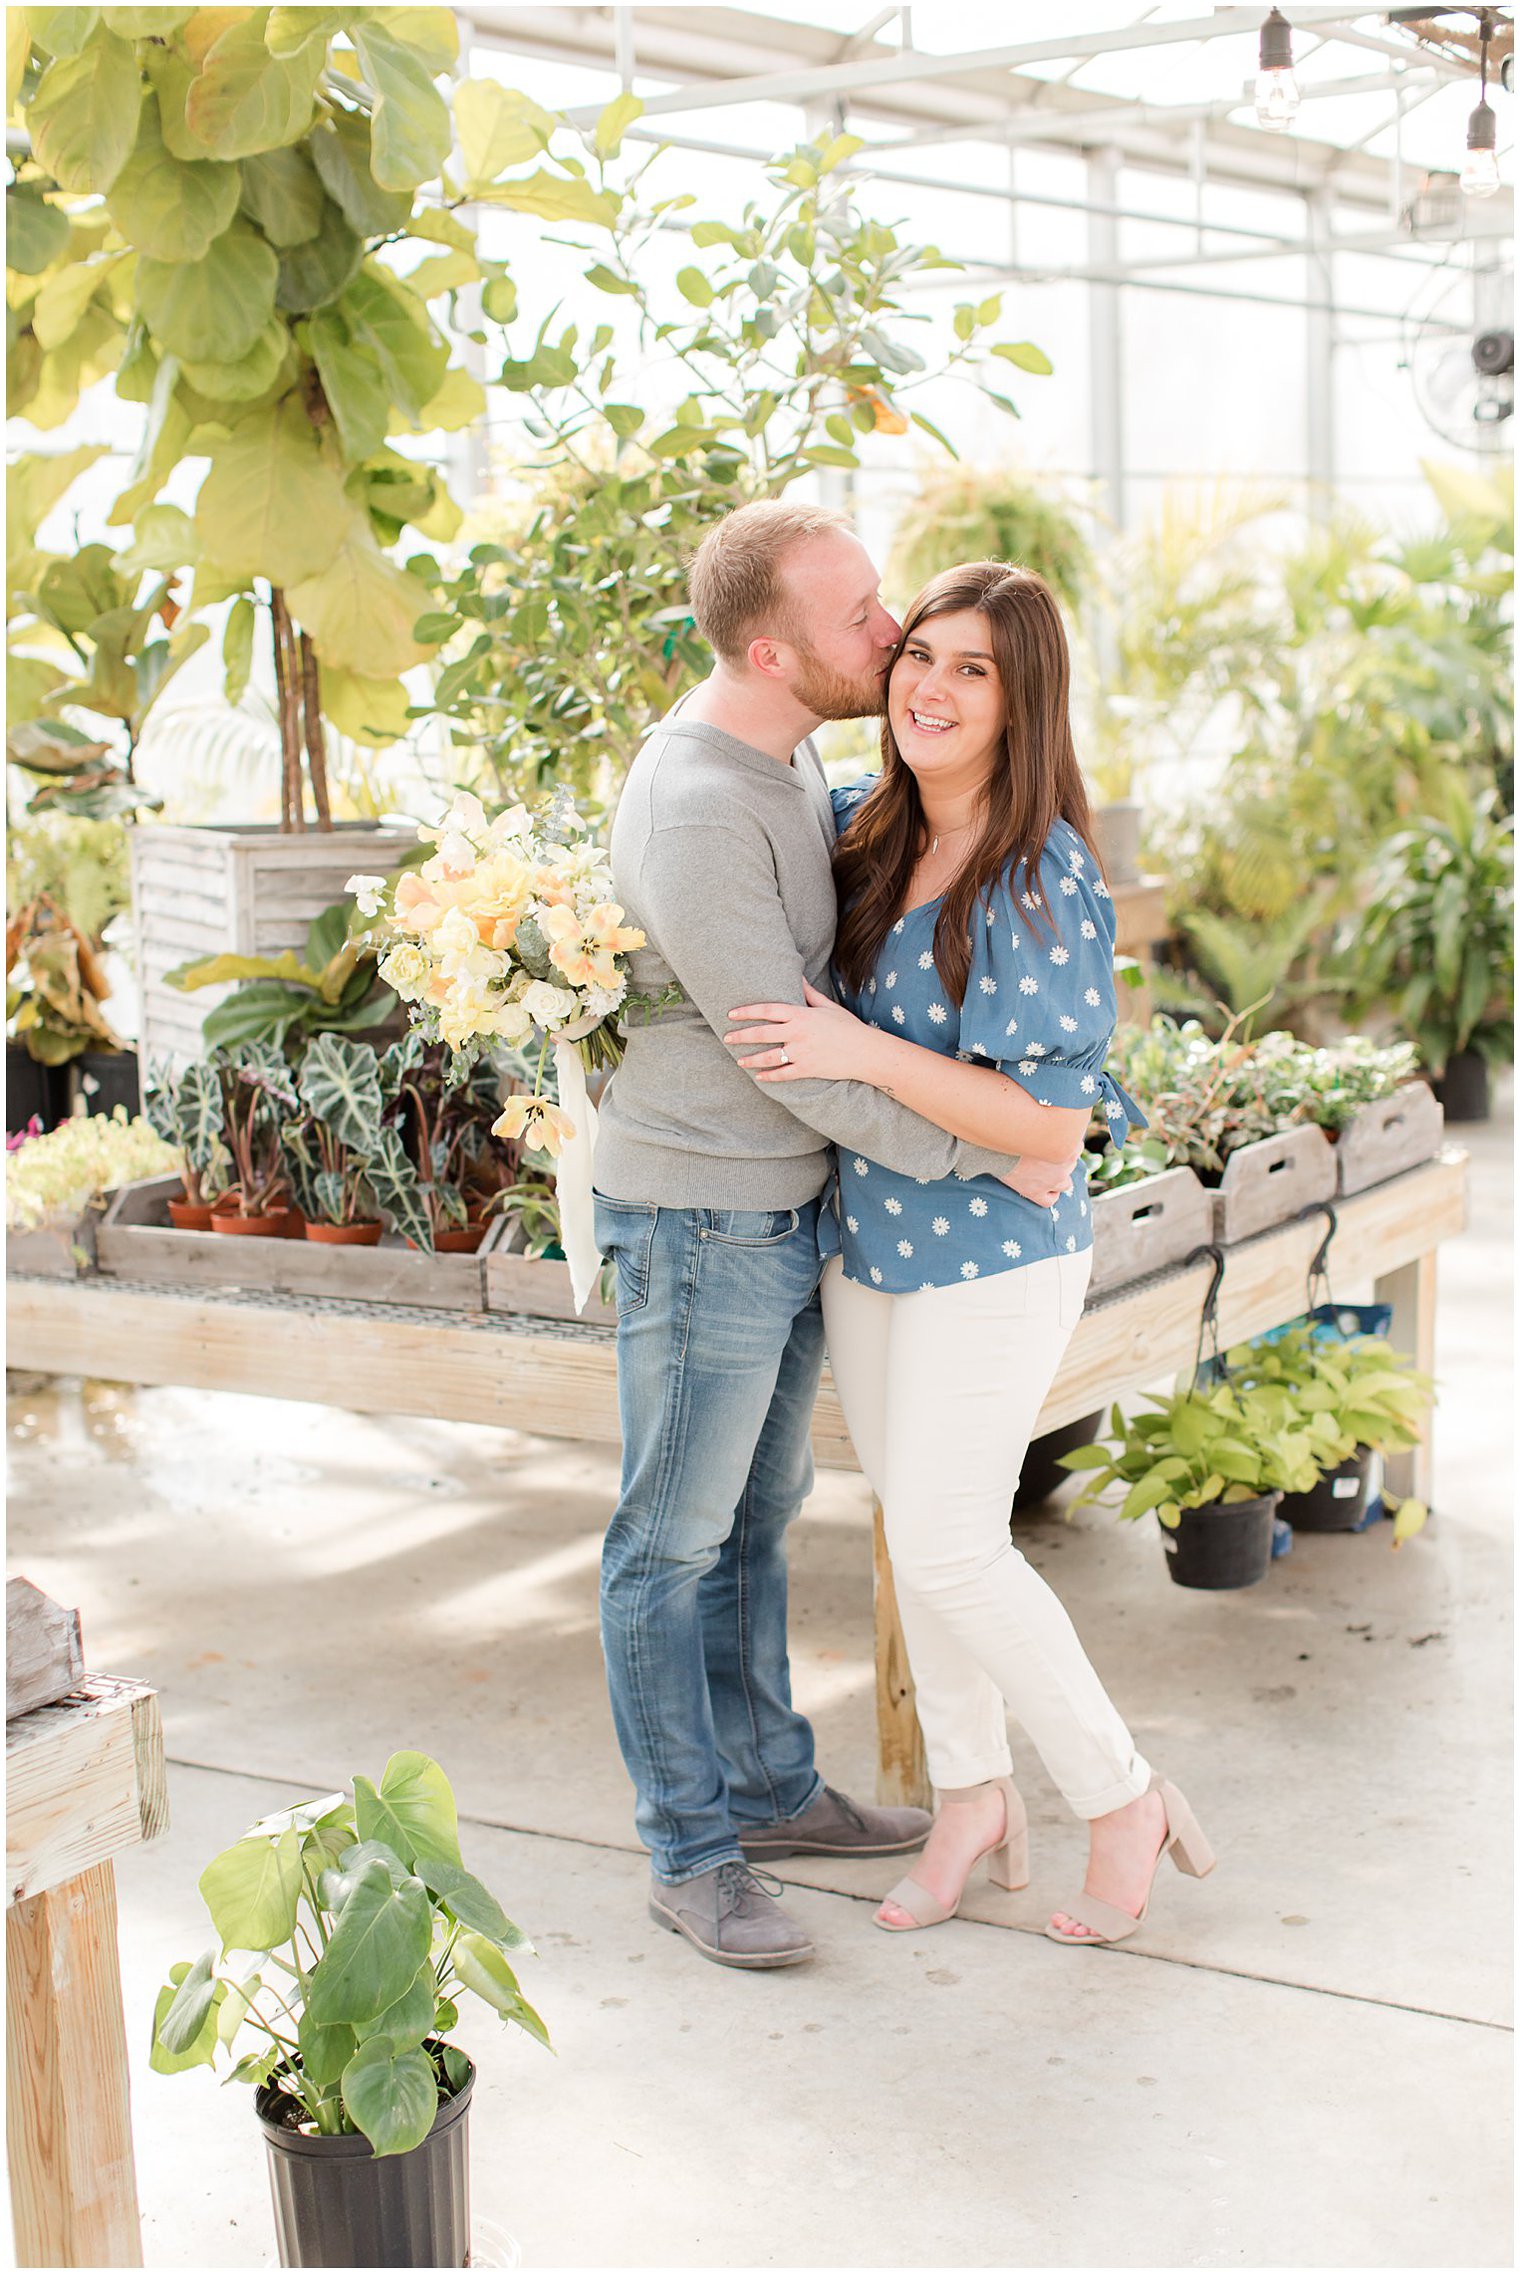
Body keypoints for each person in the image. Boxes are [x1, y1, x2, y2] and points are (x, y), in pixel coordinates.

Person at [593, 505, 1081, 1970]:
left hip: (781, 1203)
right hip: (705, 1212)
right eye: (864, 616)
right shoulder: (700, 803)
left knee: (752, 1521)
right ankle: (691, 1845)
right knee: (667, 1538)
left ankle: (769, 1784)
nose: (892, 638)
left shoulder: (791, 743)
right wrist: (986, 1151)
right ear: (768, 647)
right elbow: (787, 1051)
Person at [723, 562, 1215, 1945]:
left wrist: (859, 1050)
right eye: (917, 654)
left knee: (947, 1543)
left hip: (997, 1259)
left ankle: (1120, 1794)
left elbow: (1047, 1123)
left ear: (1022, 701)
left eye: (973, 669)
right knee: (917, 1541)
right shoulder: (862, 826)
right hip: (866, 1243)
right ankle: (972, 1797)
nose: (928, 686)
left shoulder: (1040, 869)